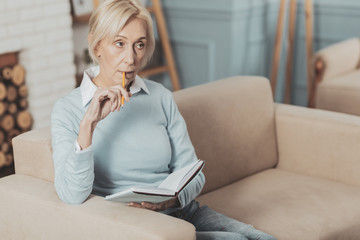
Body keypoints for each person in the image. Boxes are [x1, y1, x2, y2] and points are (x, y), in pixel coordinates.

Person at [51, 0, 276, 239]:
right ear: (96, 46)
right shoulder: (68, 109)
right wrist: (89, 124)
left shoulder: (159, 96)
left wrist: (171, 199)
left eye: (139, 45)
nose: (131, 58)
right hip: (139, 224)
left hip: (183, 211)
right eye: (119, 43)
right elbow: (72, 194)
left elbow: (194, 174)